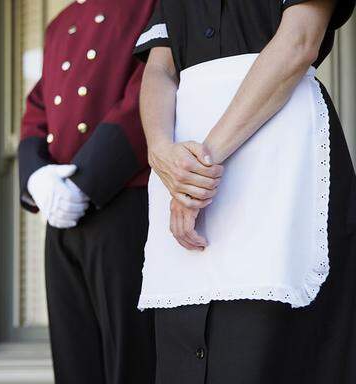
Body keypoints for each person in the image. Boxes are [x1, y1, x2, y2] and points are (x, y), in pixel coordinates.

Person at [135, 0, 356, 383]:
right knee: (181, 348)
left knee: (267, 346)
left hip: (277, 157)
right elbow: (159, 69)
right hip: (180, 164)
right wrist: (160, 152)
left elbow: (299, 41)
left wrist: (201, 165)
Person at [18, 0, 157, 382]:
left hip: (123, 198)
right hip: (59, 209)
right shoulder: (59, 25)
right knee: (72, 355)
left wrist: (85, 182)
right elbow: (37, 108)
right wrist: (36, 176)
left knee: (129, 354)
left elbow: (147, 93)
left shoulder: (151, 6)